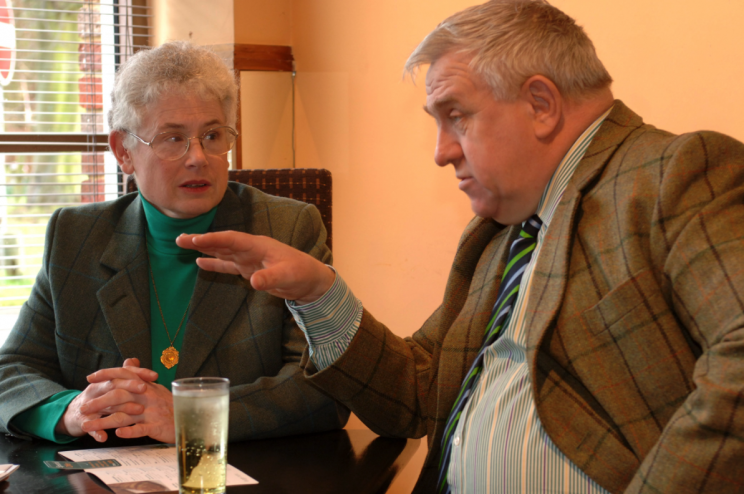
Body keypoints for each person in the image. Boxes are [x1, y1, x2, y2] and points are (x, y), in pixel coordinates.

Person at [177, 1, 744, 493]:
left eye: (456, 116)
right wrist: (317, 292)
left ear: (541, 105)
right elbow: (418, 391)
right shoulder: (500, 234)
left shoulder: (676, 173)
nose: (442, 152)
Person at [0, 41, 348, 445]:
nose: (198, 157)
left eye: (213, 135)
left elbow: (325, 388)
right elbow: (11, 370)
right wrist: (72, 411)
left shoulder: (287, 228)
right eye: (172, 139)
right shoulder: (77, 236)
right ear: (123, 151)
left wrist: (190, 417)